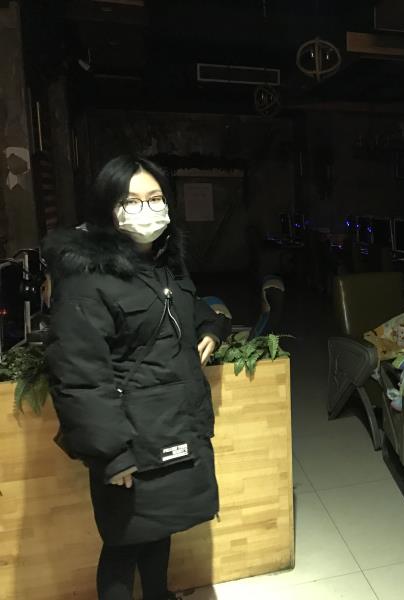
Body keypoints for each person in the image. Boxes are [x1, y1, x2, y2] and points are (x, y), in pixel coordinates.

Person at [43, 155, 232, 600]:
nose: (146, 210)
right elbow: (79, 375)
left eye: (155, 198)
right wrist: (111, 455)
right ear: (107, 208)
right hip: (128, 437)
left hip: (172, 424)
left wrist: (212, 328)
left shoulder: (164, 264)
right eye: (131, 201)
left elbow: (191, 308)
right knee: (124, 542)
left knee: (157, 528)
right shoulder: (86, 277)